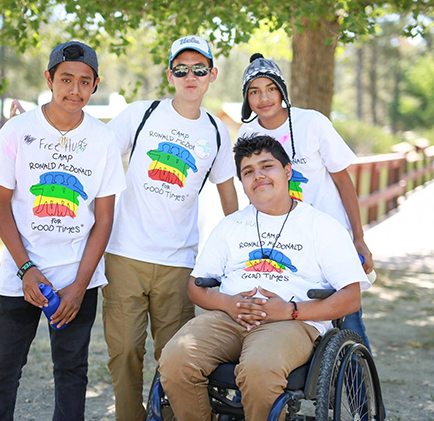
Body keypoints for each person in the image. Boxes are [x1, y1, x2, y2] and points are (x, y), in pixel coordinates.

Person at [158, 134, 371, 421]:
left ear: (287, 171)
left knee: (259, 370)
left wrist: (290, 311)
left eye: (267, 166)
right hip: (230, 317)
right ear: (243, 183)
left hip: (291, 322)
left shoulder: (322, 227)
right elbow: (196, 286)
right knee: (174, 360)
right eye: (248, 171)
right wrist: (227, 303)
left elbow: (351, 296)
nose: (258, 176)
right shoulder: (230, 226)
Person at [0, 41, 126, 420]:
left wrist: (79, 285)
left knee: (72, 373)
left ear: (94, 85)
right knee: (2, 373)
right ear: (49, 79)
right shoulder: (17, 130)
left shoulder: (103, 139)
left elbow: (104, 218)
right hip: (20, 273)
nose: (74, 90)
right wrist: (26, 269)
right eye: (66, 79)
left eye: (84, 82)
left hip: (77, 275)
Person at [103, 35, 239, 421]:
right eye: (181, 69)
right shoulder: (140, 114)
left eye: (199, 69)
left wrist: (237, 255)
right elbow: (97, 154)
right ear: (170, 75)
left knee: (176, 359)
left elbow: (229, 198)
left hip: (180, 264)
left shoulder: (215, 132)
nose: (190, 76)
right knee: (125, 352)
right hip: (124, 256)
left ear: (212, 75)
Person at [236, 53, 377, 353]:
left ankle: (365, 397)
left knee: (349, 324)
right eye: (254, 91)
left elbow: (343, 181)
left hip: (327, 238)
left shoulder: (312, 122)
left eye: (270, 88)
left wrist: (359, 238)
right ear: (247, 99)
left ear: (282, 91)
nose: (264, 98)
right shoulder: (248, 133)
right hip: (283, 244)